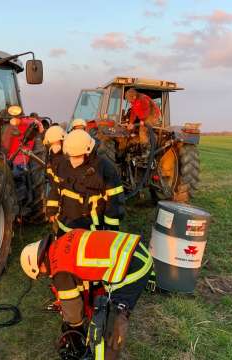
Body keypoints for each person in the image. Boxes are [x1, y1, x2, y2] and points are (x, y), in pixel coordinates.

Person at [20, 229, 153, 359]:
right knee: (104, 314)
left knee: (109, 326)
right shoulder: (64, 240)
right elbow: (84, 271)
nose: (47, 275)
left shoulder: (59, 269)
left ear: (39, 265)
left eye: (41, 274)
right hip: (135, 249)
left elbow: (73, 311)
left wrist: (75, 332)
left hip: (131, 270)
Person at [46, 129, 125, 236]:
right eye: (72, 157)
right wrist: (51, 210)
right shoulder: (62, 165)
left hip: (91, 232)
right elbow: (55, 189)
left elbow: (114, 203)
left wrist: (110, 231)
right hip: (63, 228)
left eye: (78, 156)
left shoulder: (105, 170)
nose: (74, 161)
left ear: (89, 151)